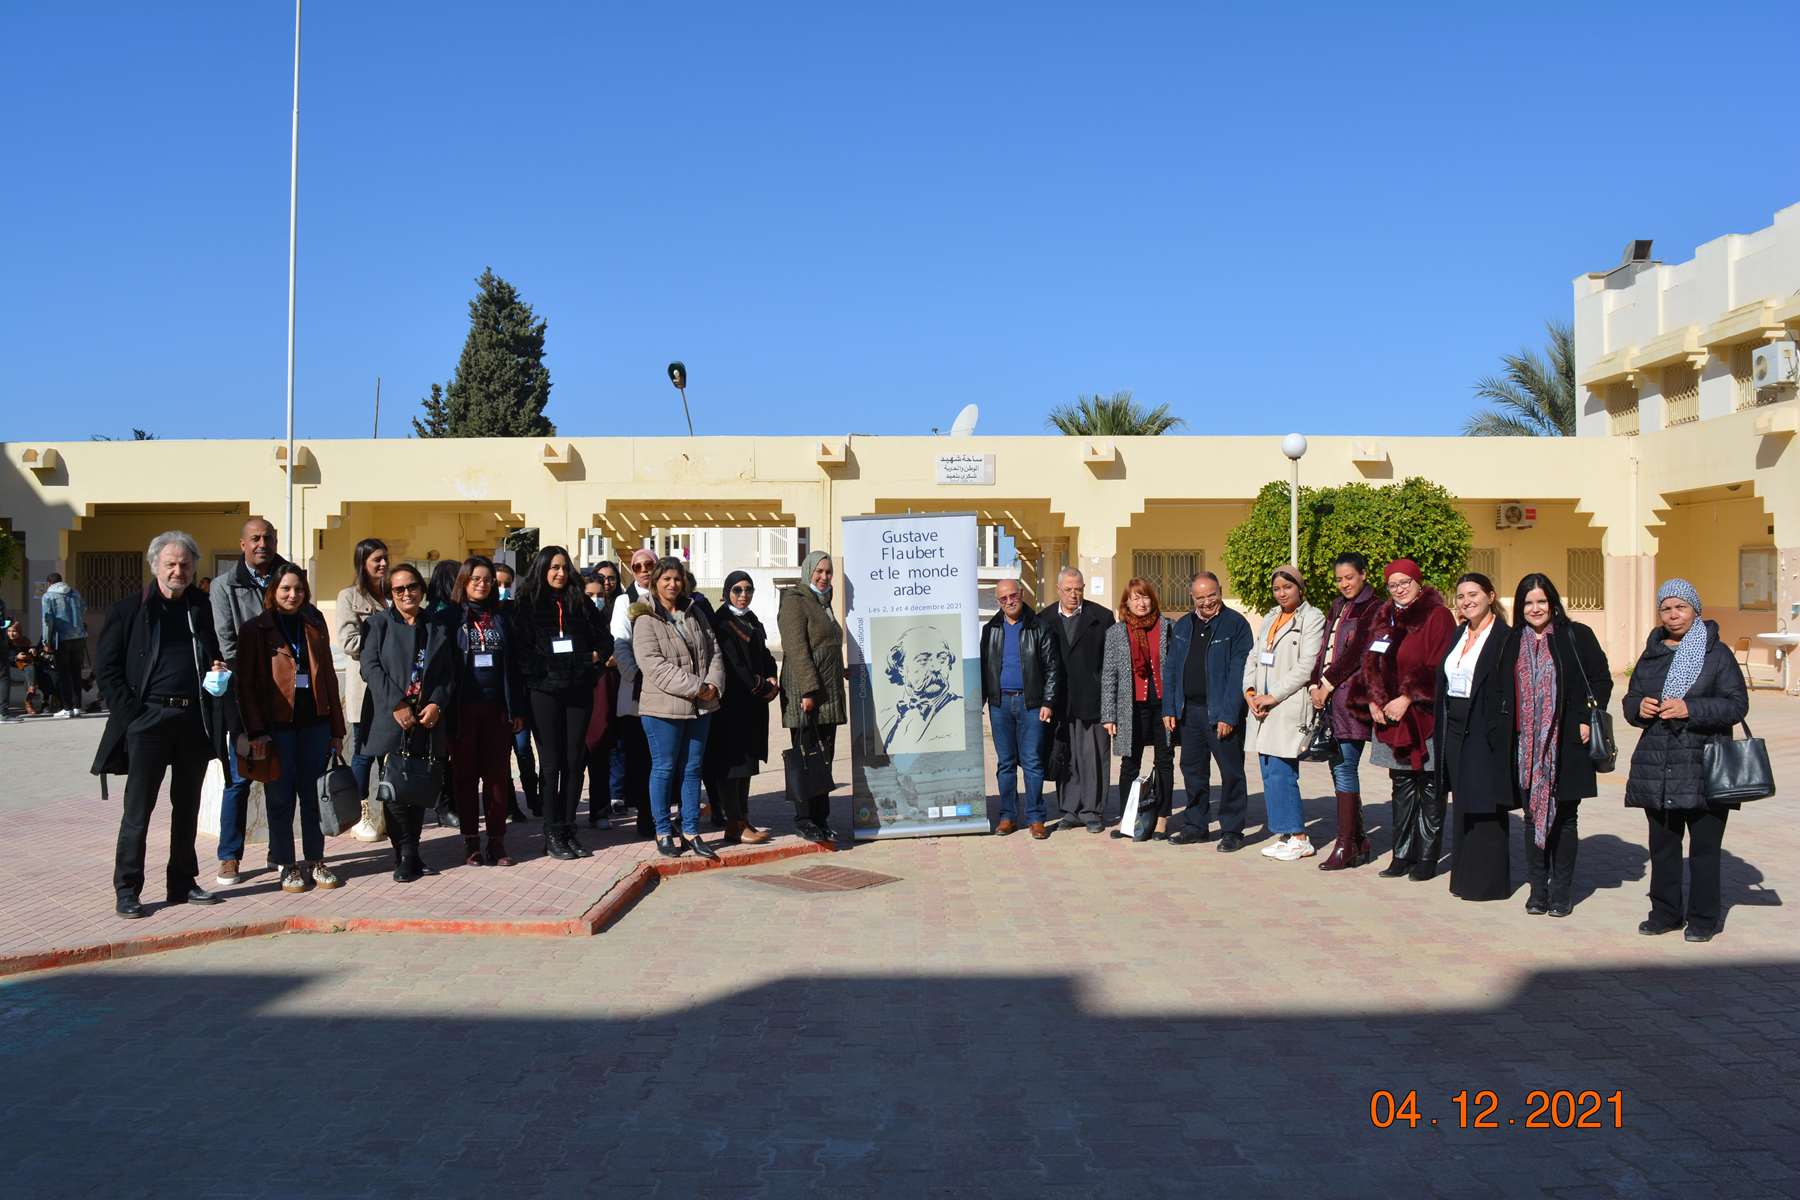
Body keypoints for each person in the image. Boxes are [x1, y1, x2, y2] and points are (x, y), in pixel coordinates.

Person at [93, 531, 228, 918]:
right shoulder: (129, 610)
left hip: (192, 720)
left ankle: (182, 882)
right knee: (138, 811)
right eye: (170, 564)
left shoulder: (200, 607)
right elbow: (107, 669)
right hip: (148, 721)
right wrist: (132, 715)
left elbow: (214, 651)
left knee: (186, 808)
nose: (177, 571)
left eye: (185, 564)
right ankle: (127, 889)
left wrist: (218, 668)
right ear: (154, 566)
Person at [1623, 579, 1749, 943]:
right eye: (1666, 608)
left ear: (1696, 610)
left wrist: (1689, 708)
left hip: (1704, 766)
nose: (1673, 614)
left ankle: (1703, 919)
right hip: (1657, 765)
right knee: (1663, 848)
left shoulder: (1717, 654)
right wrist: (1639, 707)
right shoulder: (1651, 653)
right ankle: (1664, 913)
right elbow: (1630, 699)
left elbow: (1736, 705)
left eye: (1681, 607)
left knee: (1704, 850)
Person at [1496, 573, 1611, 917]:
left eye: (1541, 601)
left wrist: (1584, 718)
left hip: (1567, 743)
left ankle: (1561, 892)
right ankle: (1538, 891)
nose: (1535, 608)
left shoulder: (1575, 635)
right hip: (1524, 747)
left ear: (1553, 602)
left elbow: (1601, 680)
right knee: (1532, 816)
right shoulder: (1511, 641)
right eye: (1528, 602)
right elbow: (1500, 690)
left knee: (1565, 818)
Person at [236, 564, 348, 893]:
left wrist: (336, 730)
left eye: (298, 589)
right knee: (280, 800)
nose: (293, 595)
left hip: (315, 725)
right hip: (277, 729)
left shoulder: (314, 623)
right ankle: (286, 864)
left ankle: (315, 860)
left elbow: (328, 677)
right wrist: (256, 731)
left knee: (314, 798)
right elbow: (246, 686)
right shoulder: (255, 629)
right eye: (285, 588)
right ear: (273, 592)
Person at [1349, 559, 1456, 882]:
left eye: (1404, 582)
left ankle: (1426, 858)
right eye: (1393, 585)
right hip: (1390, 718)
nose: (1399, 589)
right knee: (1401, 786)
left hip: (1423, 715)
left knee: (1429, 788)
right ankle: (1402, 854)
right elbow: (1369, 662)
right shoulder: (1385, 615)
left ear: (1418, 583)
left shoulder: (1437, 615)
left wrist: (1408, 697)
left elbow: (1441, 665)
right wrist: (1372, 698)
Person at [360, 562, 455, 882]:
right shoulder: (378, 624)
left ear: (421, 589)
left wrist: (437, 703)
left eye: (412, 586)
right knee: (395, 791)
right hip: (392, 718)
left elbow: (448, 673)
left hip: (426, 718)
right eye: (398, 589)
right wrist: (396, 704)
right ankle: (403, 855)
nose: (406, 593)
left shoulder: (437, 626)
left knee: (418, 787)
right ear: (390, 593)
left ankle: (412, 852)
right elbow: (370, 668)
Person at [631, 556, 726, 859]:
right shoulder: (645, 618)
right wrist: (697, 687)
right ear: (655, 582)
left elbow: (713, 651)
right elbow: (654, 666)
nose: (672, 584)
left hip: (701, 706)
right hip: (663, 708)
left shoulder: (694, 612)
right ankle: (662, 830)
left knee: (693, 769)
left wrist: (713, 684)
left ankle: (691, 830)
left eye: (677, 579)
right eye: (666, 579)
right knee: (664, 768)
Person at [517, 545, 606, 860]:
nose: (560, 573)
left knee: (574, 761)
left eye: (564, 567)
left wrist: (590, 662)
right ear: (542, 569)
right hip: (543, 693)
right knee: (551, 764)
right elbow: (525, 656)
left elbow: (604, 642)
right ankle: (551, 832)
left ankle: (569, 828)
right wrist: (572, 661)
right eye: (554, 567)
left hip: (578, 691)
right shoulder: (526, 604)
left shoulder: (580, 602)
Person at [210, 517, 286, 886]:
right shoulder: (224, 586)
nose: (262, 544)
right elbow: (227, 644)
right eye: (255, 538)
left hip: (285, 696)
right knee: (239, 780)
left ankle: (280, 852)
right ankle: (229, 856)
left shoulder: (289, 576)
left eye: (267, 538)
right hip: (243, 695)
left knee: (279, 779)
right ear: (243, 544)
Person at [1164, 572, 1254, 850]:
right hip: (1188, 712)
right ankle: (1196, 826)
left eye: (1211, 595)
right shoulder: (1182, 625)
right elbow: (1171, 668)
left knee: (1231, 772)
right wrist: (1169, 707)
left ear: (1220, 591)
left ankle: (1232, 830)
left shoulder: (1236, 624)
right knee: (1192, 771)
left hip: (1220, 712)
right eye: (1200, 597)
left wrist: (1228, 714)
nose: (1206, 602)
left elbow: (1239, 673)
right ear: (1192, 597)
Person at [1435, 573, 1511, 901]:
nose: (1466, 601)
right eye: (1461, 596)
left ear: (1490, 596)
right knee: (1464, 802)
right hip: (1455, 727)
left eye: (1473, 594)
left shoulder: (1505, 637)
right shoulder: (1459, 633)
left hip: (1485, 727)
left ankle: (1487, 883)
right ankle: (1464, 878)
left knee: (1486, 803)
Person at [448, 556, 527, 866]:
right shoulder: (451, 617)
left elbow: (514, 666)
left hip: (498, 710)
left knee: (497, 777)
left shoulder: (502, 617)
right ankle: (471, 840)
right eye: (476, 579)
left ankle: (496, 841)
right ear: (464, 581)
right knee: (465, 777)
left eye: (487, 580)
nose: (482, 584)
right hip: (463, 709)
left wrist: (516, 708)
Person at [1243, 566, 1325, 860]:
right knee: (1269, 770)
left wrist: (1272, 696)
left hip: (1286, 705)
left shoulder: (1312, 618)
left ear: (1300, 588)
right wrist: (1249, 691)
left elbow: (1306, 666)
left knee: (1282, 771)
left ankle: (1299, 837)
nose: (1282, 593)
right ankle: (1285, 833)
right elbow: (1253, 657)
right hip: (1261, 706)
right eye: (1277, 589)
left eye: (1287, 587)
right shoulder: (1270, 618)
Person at [1307, 552, 1381, 870]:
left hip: (1351, 700)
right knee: (1337, 766)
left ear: (1363, 574)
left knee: (1345, 767)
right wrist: (1314, 684)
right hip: (1329, 701)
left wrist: (1326, 684)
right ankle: (1359, 840)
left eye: (1349, 577)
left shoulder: (1374, 607)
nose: (1344, 584)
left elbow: (1357, 653)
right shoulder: (1337, 605)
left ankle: (1345, 843)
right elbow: (1324, 648)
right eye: (1339, 579)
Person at [980, 578, 1063, 839]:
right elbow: (983, 668)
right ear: (998, 601)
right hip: (1000, 704)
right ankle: (1007, 816)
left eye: (1013, 595)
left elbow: (1052, 668)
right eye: (1003, 598)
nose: (1009, 601)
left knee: (1032, 762)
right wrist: (979, 702)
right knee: (1005, 763)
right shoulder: (991, 629)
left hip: (1032, 704)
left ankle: (1036, 818)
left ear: (1022, 594)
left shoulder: (1040, 627)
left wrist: (1048, 702)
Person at [778, 549, 846, 844]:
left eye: (828, 572)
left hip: (827, 692)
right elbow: (796, 649)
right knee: (806, 757)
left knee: (824, 758)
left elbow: (827, 647)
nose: (824, 577)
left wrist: (843, 670)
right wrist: (807, 690)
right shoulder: (795, 601)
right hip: (807, 694)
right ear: (808, 572)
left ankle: (821, 818)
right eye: (819, 571)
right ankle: (804, 819)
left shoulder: (824, 602)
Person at [704, 571, 776, 844]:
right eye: (737, 590)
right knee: (732, 766)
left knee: (747, 764)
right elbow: (734, 665)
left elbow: (765, 654)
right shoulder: (722, 621)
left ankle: (743, 820)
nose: (743, 595)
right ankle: (734, 822)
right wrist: (762, 686)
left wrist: (772, 676)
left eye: (748, 589)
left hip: (752, 706)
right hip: (731, 705)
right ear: (727, 592)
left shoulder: (750, 619)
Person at [1041, 568, 1115, 834]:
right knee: (1067, 758)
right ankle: (1071, 810)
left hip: (1092, 700)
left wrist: (1109, 705)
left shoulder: (1102, 617)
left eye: (1079, 589)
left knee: (1093, 757)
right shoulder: (1045, 619)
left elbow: (1110, 664)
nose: (1074, 594)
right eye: (1069, 589)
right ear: (1058, 590)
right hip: (1060, 703)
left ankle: (1092, 811)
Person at [1101, 577, 1175, 842]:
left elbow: (1174, 669)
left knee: (1164, 761)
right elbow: (1109, 675)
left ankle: (1162, 818)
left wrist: (1175, 706)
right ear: (1126, 603)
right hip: (1130, 707)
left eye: (1145, 597)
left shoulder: (1167, 627)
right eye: (1135, 598)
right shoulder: (1116, 633)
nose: (1141, 603)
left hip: (1163, 706)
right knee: (1129, 763)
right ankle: (1127, 817)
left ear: (1152, 600)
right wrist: (1109, 715)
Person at [334, 537, 388, 841]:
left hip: (394, 687)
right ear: (362, 563)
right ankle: (360, 813)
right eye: (376, 559)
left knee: (390, 754)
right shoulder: (349, 597)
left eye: (385, 558)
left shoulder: (394, 594)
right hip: (365, 686)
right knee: (364, 751)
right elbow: (349, 642)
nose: (383, 564)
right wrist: (388, 646)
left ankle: (389, 811)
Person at [610, 548, 659, 838]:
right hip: (636, 691)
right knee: (640, 758)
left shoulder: (665, 596)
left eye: (648, 564)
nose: (643, 570)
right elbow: (620, 642)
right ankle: (645, 816)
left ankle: (661, 813)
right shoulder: (623, 601)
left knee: (662, 758)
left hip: (666, 690)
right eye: (637, 566)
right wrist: (637, 674)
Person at [493, 561, 539, 823]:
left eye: (506, 584)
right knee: (501, 755)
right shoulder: (485, 615)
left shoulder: (518, 612)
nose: (502, 589)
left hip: (520, 694)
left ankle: (534, 798)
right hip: (495, 696)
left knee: (523, 749)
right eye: (497, 583)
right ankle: (511, 805)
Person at [40, 570, 89, 717]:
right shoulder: (75, 593)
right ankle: (77, 707)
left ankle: (67, 708)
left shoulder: (48, 596)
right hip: (79, 637)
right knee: (76, 672)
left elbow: (47, 621)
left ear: (49, 583)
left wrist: (46, 641)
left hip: (61, 638)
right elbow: (84, 609)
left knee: (64, 674)